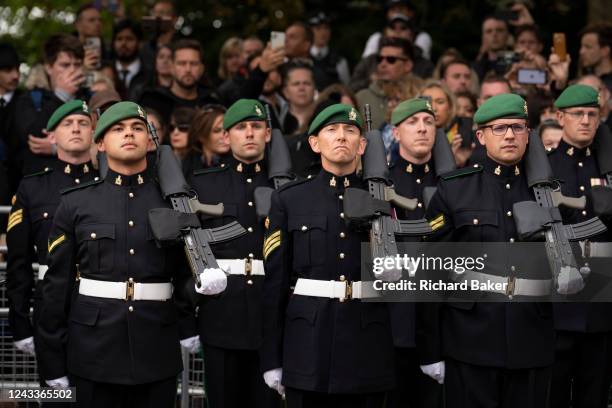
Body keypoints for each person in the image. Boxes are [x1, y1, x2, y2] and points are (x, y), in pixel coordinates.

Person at [36, 101, 197, 407]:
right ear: (100, 143)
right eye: (118, 129)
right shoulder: (75, 204)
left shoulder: (175, 202)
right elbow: (56, 289)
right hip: (93, 352)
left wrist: (198, 300)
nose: (129, 134)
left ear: (150, 141)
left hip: (156, 349)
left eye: (138, 128)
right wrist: (52, 361)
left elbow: (186, 276)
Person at [421, 93, 555, 407]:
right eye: (499, 128)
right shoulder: (455, 189)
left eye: (518, 127)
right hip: (470, 340)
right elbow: (431, 273)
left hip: (531, 337)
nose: (510, 135)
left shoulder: (549, 194)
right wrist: (431, 350)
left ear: (528, 135)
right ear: (481, 136)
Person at [261, 103, 395, 407]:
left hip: (368, 342)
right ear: (314, 143)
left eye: (350, 131)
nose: (341, 137)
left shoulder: (384, 198)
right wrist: (272, 357)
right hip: (308, 343)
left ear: (363, 145)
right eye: (331, 130)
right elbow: (276, 284)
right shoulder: (290, 199)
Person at [187, 99, 280, 408]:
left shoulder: (286, 187)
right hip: (221, 313)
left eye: (256, 127)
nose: (249, 133)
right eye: (240, 127)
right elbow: (186, 251)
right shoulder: (203, 184)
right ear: (226, 137)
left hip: (272, 314)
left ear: (268, 134)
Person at [7, 100, 96, 378]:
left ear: (94, 134)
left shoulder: (106, 183)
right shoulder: (32, 187)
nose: (76, 129)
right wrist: (20, 322)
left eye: (83, 123)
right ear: (52, 135)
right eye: (67, 124)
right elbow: (18, 261)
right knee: (57, 395)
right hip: (51, 305)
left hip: (99, 304)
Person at [546, 84, 612, 408]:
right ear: (560, 117)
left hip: (601, 299)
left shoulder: (608, 169)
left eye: (591, 114)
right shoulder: (544, 170)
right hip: (558, 300)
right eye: (577, 114)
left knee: (595, 393)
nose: (585, 120)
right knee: (552, 392)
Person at [386, 98, 444, 408]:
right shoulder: (381, 183)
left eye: (428, 121)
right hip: (395, 321)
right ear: (396, 132)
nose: (422, 128)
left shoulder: (453, 183)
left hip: (444, 321)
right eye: (412, 122)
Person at [11, 34, 88, 189]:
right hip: (43, 189)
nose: (72, 71)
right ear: (48, 67)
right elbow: (34, 139)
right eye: (65, 65)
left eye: (77, 64)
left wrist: (56, 148)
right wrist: (61, 96)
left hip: (85, 185)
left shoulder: (91, 97)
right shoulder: (30, 99)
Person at [138, 39, 220, 123]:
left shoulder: (212, 103)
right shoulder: (153, 101)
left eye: (194, 64)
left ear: (202, 69)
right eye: (182, 63)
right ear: (171, 67)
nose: (188, 69)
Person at [356, 37, 416, 130]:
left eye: (391, 59)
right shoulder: (361, 98)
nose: (382, 64)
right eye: (379, 59)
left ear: (407, 65)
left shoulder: (420, 95)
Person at [181, 104, 229, 175]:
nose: (225, 135)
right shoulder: (187, 165)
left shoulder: (238, 163)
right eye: (217, 130)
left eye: (227, 129)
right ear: (201, 136)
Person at [308, 12, 351, 88]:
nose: (323, 32)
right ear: (310, 31)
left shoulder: (339, 60)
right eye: (318, 28)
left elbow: (346, 88)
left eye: (326, 28)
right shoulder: (303, 57)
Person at [112, 19, 151, 101]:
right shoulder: (107, 71)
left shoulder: (150, 75)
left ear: (140, 43)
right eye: (119, 39)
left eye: (129, 39)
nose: (123, 43)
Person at [281, 60, 316, 135]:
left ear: (314, 89)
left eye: (307, 83)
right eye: (296, 84)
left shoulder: (326, 118)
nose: (301, 88)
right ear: (285, 91)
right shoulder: (277, 120)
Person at [472, 15, 511, 81]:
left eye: (499, 30)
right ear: (483, 37)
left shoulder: (517, 63)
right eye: (489, 31)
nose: (494, 35)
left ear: (507, 35)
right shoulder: (475, 68)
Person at [579, 22, 612, 93]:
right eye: (582, 47)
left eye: (588, 47)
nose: (581, 51)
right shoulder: (582, 81)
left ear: (605, 50)